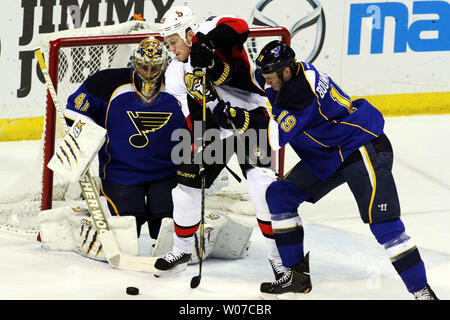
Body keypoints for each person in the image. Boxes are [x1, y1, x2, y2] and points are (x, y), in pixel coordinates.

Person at [213, 40, 439, 300]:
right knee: (279, 195)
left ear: (286, 71)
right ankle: (296, 276)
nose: (266, 81)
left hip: (361, 145)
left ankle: (422, 292)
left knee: (384, 225)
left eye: (270, 77)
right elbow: (250, 78)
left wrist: (236, 116)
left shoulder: (301, 92)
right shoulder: (284, 74)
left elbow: (274, 139)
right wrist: (212, 67)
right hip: (330, 153)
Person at [153, 6, 284, 278]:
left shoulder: (209, 29)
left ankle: (278, 258)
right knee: (185, 187)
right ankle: (182, 249)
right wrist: (205, 135)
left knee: (262, 187)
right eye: (168, 45)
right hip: (216, 127)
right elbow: (191, 114)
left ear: (188, 34)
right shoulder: (174, 73)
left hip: (251, 118)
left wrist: (207, 45)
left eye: (174, 42)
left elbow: (239, 27)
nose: (172, 50)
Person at [63, 38, 188, 240]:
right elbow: (74, 113)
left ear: (164, 65)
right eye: (144, 67)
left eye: (154, 68)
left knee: (167, 232)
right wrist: (81, 142)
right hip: (121, 173)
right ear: (134, 63)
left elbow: (201, 119)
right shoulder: (107, 83)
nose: (148, 72)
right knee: (126, 233)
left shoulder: (180, 84)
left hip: (168, 173)